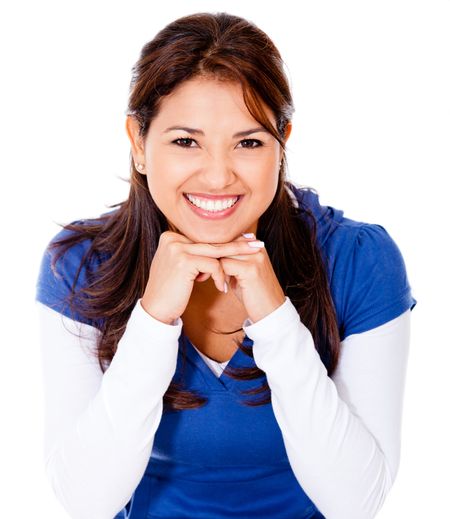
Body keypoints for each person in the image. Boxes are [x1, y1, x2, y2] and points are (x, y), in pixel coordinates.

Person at [35, 11, 417, 519]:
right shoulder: (83, 264)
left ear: (283, 143)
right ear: (138, 143)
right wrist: (151, 323)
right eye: (186, 141)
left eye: (249, 142)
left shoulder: (360, 261)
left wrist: (277, 319)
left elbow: (355, 502)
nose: (218, 177)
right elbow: (85, 500)